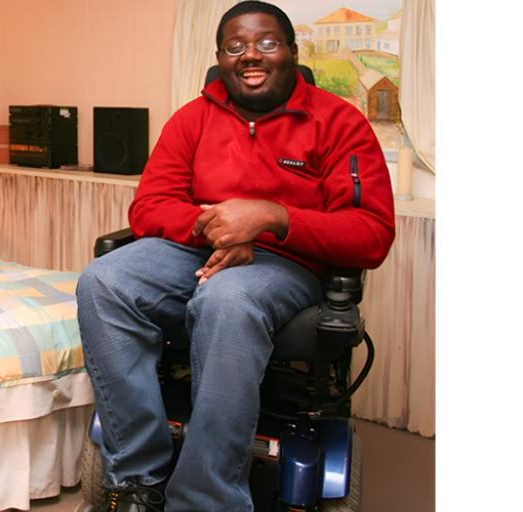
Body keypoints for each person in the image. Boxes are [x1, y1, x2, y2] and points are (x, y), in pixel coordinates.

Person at [76, 2, 395, 511]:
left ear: (292, 52)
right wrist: (223, 227)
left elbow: (371, 233)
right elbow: (150, 207)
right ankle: (136, 478)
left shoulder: (338, 122)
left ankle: (205, 499)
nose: (251, 55)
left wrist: (272, 217)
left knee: (227, 298)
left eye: (267, 43)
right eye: (236, 46)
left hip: (287, 263)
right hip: (195, 249)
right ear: (220, 56)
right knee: (103, 281)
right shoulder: (193, 118)